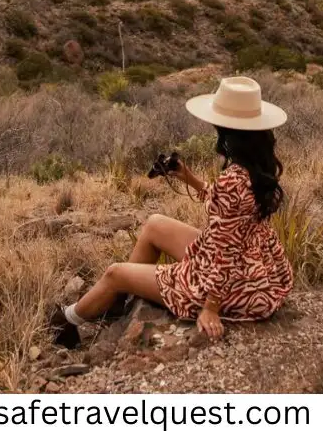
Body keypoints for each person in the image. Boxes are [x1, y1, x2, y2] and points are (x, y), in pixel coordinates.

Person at [49, 76, 294, 348]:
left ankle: (68, 321)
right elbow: (231, 211)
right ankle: (117, 302)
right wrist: (187, 177)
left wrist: (211, 307)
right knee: (155, 224)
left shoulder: (232, 181)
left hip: (232, 284)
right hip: (257, 269)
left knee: (114, 273)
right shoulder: (258, 165)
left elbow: (225, 252)